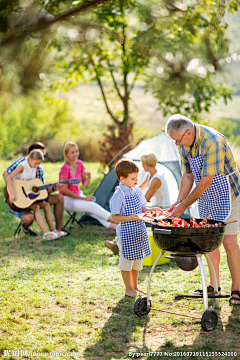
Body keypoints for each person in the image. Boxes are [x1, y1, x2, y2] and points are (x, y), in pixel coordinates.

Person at [165, 114, 240, 306]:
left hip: (230, 194)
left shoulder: (212, 141)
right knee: (208, 241)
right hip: (205, 196)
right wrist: (179, 201)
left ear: (188, 133)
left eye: (177, 140)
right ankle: (214, 287)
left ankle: (237, 290)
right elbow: (188, 176)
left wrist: (184, 206)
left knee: (229, 241)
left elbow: (206, 180)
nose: (177, 145)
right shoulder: (184, 144)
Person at [110, 158, 161, 298]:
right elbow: (114, 217)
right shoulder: (118, 195)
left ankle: (135, 287)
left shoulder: (137, 191)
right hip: (126, 233)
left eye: (137, 177)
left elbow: (143, 208)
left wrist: (152, 210)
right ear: (122, 178)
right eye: (133, 178)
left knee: (137, 261)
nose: (136, 180)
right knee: (127, 261)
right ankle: (128, 288)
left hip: (139, 231)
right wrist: (130, 217)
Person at [3, 142, 68, 237]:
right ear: (30, 159)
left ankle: (53, 231)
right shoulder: (22, 166)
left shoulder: (34, 167)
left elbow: (34, 184)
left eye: (39, 163)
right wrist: (12, 193)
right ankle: (46, 233)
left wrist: (52, 187)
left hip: (29, 196)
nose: (37, 165)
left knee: (45, 205)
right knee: (37, 207)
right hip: (19, 196)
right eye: (36, 163)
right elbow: (8, 177)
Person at [59, 141, 118, 230]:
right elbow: (64, 190)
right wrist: (83, 199)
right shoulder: (65, 168)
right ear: (66, 154)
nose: (76, 154)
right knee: (92, 206)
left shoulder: (79, 163)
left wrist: (88, 178)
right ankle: (123, 221)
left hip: (78, 196)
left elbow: (84, 184)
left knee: (94, 212)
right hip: (66, 200)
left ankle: (121, 228)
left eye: (77, 151)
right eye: (72, 152)